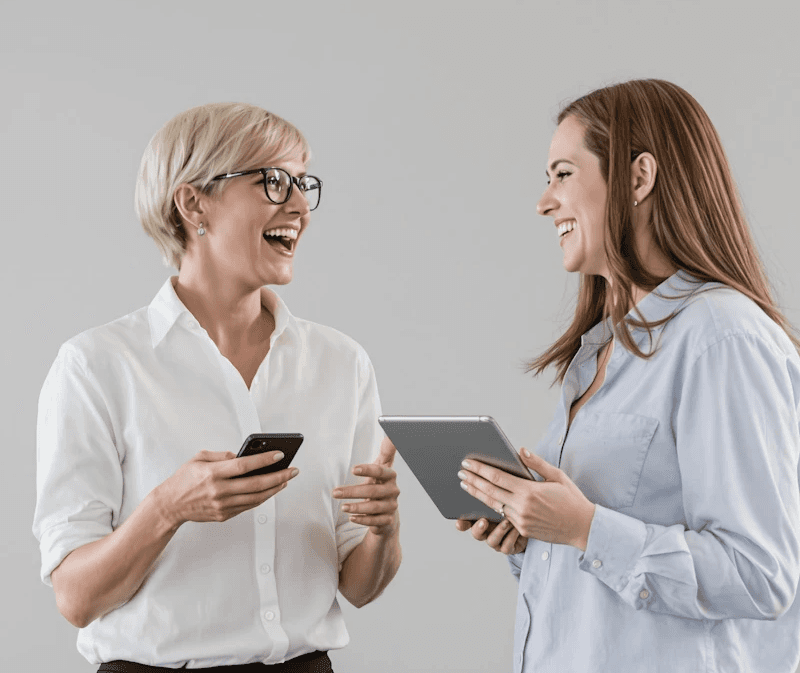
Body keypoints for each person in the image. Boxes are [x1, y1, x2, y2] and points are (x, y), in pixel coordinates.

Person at [32, 103, 402, 672]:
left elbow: (359, 585)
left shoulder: (341, 364)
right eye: (274, 182)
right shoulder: (96, 366)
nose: (300, 206)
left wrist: (381, 531)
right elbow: (76, 599)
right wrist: (168, 508)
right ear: (193, 202)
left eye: (304, 185)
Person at [455, 79, 800, 672]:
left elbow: (760, 574)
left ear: (639, 178)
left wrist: (585, 527)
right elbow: (608, 575)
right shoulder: (602, 350)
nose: (544, 202)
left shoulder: (722, 337)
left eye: (563, 174)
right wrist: (532, 532)